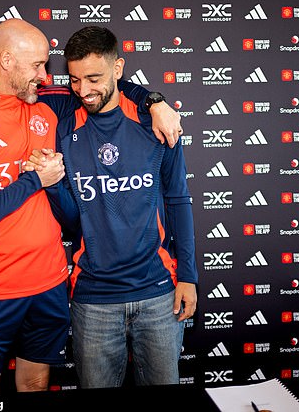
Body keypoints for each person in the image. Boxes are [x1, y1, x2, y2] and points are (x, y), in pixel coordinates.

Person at [0, 19, 183, 395]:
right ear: (6, 61)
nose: (46, 74)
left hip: (50, 284)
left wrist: (156, 101)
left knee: (36, 382)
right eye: (37, 65)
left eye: (46, 66)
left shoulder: (48, 104)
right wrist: (35, 181)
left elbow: (107, 84)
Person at [27, 26, 198, 389]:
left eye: (94, 78)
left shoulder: (156, 122)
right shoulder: (63, 122)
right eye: (74, 80)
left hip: (158, 294)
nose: (84, 90)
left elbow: (179, 200)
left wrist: (188, 276)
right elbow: (75, 223)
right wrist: (55, 184)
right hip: (93, 300)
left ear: (118, 68)